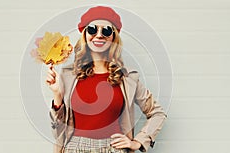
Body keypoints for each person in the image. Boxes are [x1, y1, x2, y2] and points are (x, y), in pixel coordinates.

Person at [47, 6, 166, 153]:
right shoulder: (68, 75)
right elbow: (57, 133)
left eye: (106, 30)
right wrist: (57, 95)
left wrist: (137, 142)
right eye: (92, 29)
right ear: (85, 35)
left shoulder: (127, 78)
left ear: (113, 37)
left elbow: (157, 113)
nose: (99, 35)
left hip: (113, 148)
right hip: (74, 148)